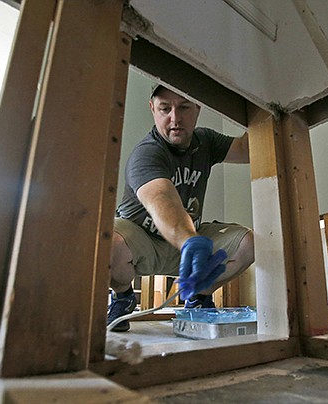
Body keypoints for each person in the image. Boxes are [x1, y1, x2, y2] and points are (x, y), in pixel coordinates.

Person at [108, 84, 255, 332]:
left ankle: (198, 296)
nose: (175, 118)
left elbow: (247, 149)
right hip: (142, 240)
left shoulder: (206, 141)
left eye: (184, 107)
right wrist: (189, 240)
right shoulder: (147, 153)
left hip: (189, 239)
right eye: (165, 109)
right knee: (107, 242)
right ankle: (123, 296)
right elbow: (162, 199)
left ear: (198, 108)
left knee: (248, 243)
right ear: (153, 109)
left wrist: (268, 107)